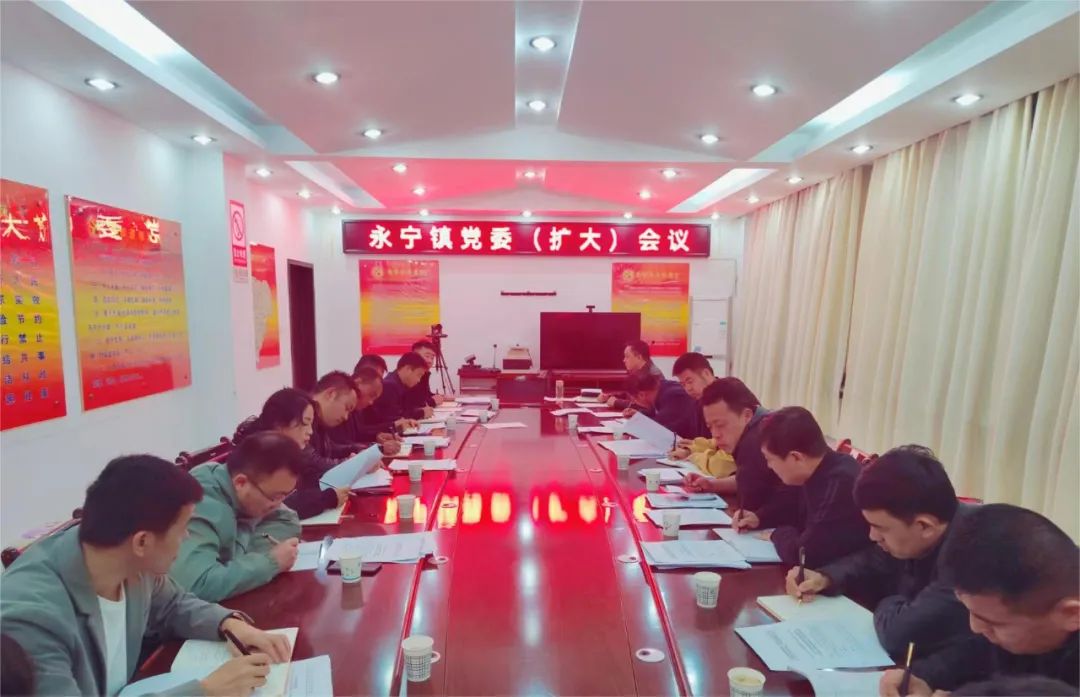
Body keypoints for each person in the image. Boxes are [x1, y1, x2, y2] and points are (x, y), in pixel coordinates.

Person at [0, 455, 290, 696]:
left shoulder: (127, 561)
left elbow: (174, 605)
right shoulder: (32, 621)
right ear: (142, 542)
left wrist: (230, 625)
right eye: (183, 528)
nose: (187, 537)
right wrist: (204, 692)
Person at [785, 446, 975, 678]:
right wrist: (825, 577)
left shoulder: (970, 557)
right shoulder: (929, 527)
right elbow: (875, 558)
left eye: (880, 528)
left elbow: (900, 634)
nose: (872, 536)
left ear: (924, 526)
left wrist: (888, 602)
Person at [880, 504, 1079, 696]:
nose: (974, 627)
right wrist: (923, 677)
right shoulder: (1013, 625)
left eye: (993, 623)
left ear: (1071, 614)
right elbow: (977, 651)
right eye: (972, 613)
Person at [170, 433, 303, 603]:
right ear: (241, 483)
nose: (277, 504)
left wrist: (240, 566)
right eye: (275, 496)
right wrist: (270, 563)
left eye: (285, 495)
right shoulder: (201, 502)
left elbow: (287, 520)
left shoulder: (246, 491)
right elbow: (196, 585)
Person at [737, 406, 869, 568]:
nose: (769, 466)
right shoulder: (816, 467)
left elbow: (803, 554)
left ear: (796, 457)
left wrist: (777, 534)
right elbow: (789, 504)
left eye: (769, 459)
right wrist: (759, 518)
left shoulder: (840, 483)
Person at [233, 388, 352, 520]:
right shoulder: (255, 456)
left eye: (311, 425)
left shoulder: (284, 453)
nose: (310, 431)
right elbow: (277, 506)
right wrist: (326, 498)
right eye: (305, 423)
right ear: (279, 424)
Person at [683, 378, 797, 506]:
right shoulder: (760, 419)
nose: (715, 435)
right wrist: (712, 484)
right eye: (710, 427)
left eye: (720, 425)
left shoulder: (756, 440)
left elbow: (750, 502)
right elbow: (749, 479)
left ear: (746, 416)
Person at [667, 352, 734, 477]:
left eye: (690, 381)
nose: (688, 388)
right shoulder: (699, 401)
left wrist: (694, 455)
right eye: (683, 384)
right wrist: (690, 448)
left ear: (706, 373)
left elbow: (725, 462)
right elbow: (714, 442)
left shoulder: (728, 396)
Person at [331, 366, 413, 448]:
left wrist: (376, 437)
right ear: (358, 382)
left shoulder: (356, 408)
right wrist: (377, 447)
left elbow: (358, 434)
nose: (371, 402)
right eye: (371, 395)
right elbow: (338, 446)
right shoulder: (337, 406)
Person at [624, 371, 701, 440]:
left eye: (634, 400)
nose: (634, 403)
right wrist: (640, 415)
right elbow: (657, 413)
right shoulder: (662, 388)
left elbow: (658, 429)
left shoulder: (673, 396)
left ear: (641, 395)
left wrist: (634, 426)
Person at [368, 352, 431, 425]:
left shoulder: (401, 384)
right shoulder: (390, 386)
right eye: (419, 375)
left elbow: (406, 411)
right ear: (408, 369)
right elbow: (395, 418)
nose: (419, 380)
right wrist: (421, 413)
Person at [600, 340, 665, 409]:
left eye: (627, 356)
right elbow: (631, 395)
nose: (624, 360)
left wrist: (617, 403)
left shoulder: (652, 376)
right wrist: (609, 396)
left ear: (639, 357)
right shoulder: (638, 372)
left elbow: (647, 407)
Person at [404, 340, 446, 417]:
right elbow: (413, 404)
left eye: (432, 358)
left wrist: (440, 396)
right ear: (414, 355)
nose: (430, 361)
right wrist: (432, 401)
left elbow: (425, 395)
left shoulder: (424, 374)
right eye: (427, 356)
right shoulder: (408, 376)